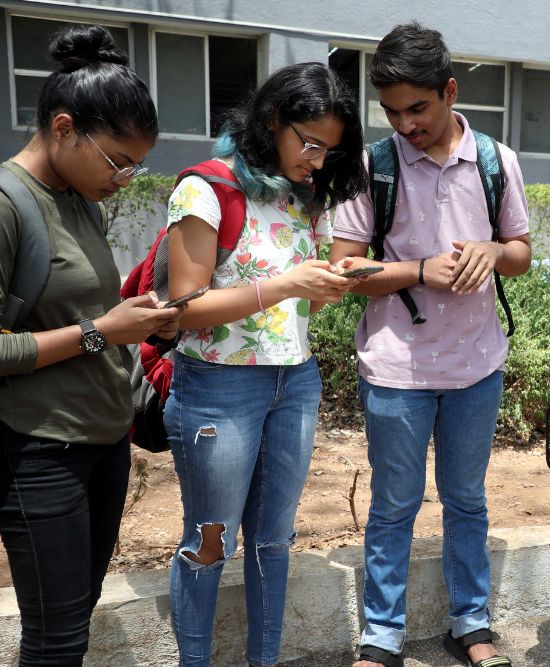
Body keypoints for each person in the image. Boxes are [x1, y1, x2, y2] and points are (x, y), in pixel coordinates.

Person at [328, 22, 531, 667]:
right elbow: (345, 269)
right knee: (393, 505)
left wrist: (496, 252)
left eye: (418, 108)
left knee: (467, 498)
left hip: (476, 363)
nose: (405, 124)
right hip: (395, 367)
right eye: (391, 111)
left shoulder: (496, 161)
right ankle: (381, 636)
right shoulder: (372, 165)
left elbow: (522, 253)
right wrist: (419, 270)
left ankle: (471, 623)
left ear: (449, 91)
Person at [164, 62, 367, 666]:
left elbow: (297, 288)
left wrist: (329, 283)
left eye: (331, 150)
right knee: (210, 541)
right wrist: (284, 286)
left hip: (295, 381)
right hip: (218, 386)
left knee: (274, 540)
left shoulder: (305, 195)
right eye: (310, 144)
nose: (319, 160)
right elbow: (184, 309)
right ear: (274, 119)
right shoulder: (207, 188)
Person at [0, 25, 180, 666]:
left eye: (138, 164)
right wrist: (105, 329)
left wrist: (136, 321)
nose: (128, 177)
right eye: (118, 160)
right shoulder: (9, 203)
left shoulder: (81, 199)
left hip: (103, 442)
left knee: (74, 617)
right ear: (64, 127)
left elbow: (79, 312)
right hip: (39, 450)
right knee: (55, 637)